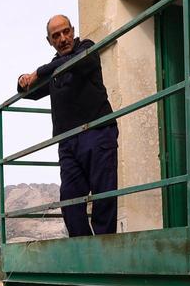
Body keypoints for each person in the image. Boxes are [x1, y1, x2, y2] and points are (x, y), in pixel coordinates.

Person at [17, 14, 118, 237]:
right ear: (49, 41)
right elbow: (29, 94)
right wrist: (22, 80)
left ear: (73, 30)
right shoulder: (53, 69)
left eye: (66, 32)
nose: (63, 38)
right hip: (68, 142)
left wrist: (38, 72)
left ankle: (106, 248)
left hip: (98, 132)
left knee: (104, 195)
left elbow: (74, 63)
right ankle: (84, 247)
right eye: (56, 35)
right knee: (70, 200)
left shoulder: (87, 49)